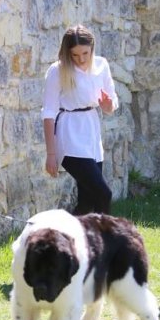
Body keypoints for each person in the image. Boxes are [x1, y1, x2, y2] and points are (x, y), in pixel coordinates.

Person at [41, 24, 119, 215]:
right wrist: (51, 154)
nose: (81, 59)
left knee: (87, 202)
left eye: (85, 53)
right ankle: (106, 242)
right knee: (103, 194)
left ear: (92, 48)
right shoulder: (57, 70)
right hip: (69, 135)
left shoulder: (101, 65)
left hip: (91, 133)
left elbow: (111, 104)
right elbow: (48, 112)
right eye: (75, 55)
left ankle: (71, 241)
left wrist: (108, 104)